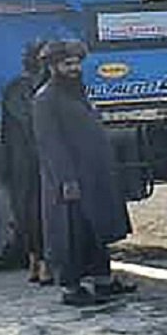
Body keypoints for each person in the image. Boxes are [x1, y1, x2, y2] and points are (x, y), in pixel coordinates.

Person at [33, 40, 134, 306]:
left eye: (77, 63)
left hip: (93, 176)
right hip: (69, 180)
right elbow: (50, 144)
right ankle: (71, 288)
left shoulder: (77, 93)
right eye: (68, 64)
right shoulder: (46, 99)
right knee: (71, 234)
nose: (74, 68)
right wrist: (66, 180)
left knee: (95, 229)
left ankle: (103, 282)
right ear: (54, 67)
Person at [4, 41, 48, 284]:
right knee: (42, 211)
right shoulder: (46, 89)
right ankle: (42, 263)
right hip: (38, 157)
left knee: (27, 211)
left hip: (21, 159)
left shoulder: (13, 88)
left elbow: (9, 133)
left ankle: (35, 261)